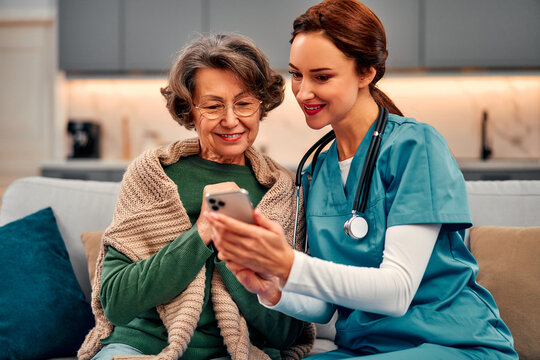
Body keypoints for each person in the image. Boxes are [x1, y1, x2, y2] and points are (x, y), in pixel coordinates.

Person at [207, 1, 519, 359]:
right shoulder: (314, 171)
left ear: (366, 72)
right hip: (365, 349)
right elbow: (325, 308)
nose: (303, 92)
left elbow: (397, 291)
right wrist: (273, 289)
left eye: (321, 77)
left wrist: (288, 264)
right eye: (296, 74)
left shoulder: (415, 147)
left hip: (450, 343)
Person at [77, 33, 315, 360]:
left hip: (234, 352)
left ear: (262, 106)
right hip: (140, 348)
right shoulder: (152, 174)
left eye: (244, 103)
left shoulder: (282, 191)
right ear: (189, 111)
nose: (231, 120)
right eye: (214, 106)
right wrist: (202, 231)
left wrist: (233, 245)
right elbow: (115, 302)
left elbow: (285, 332)